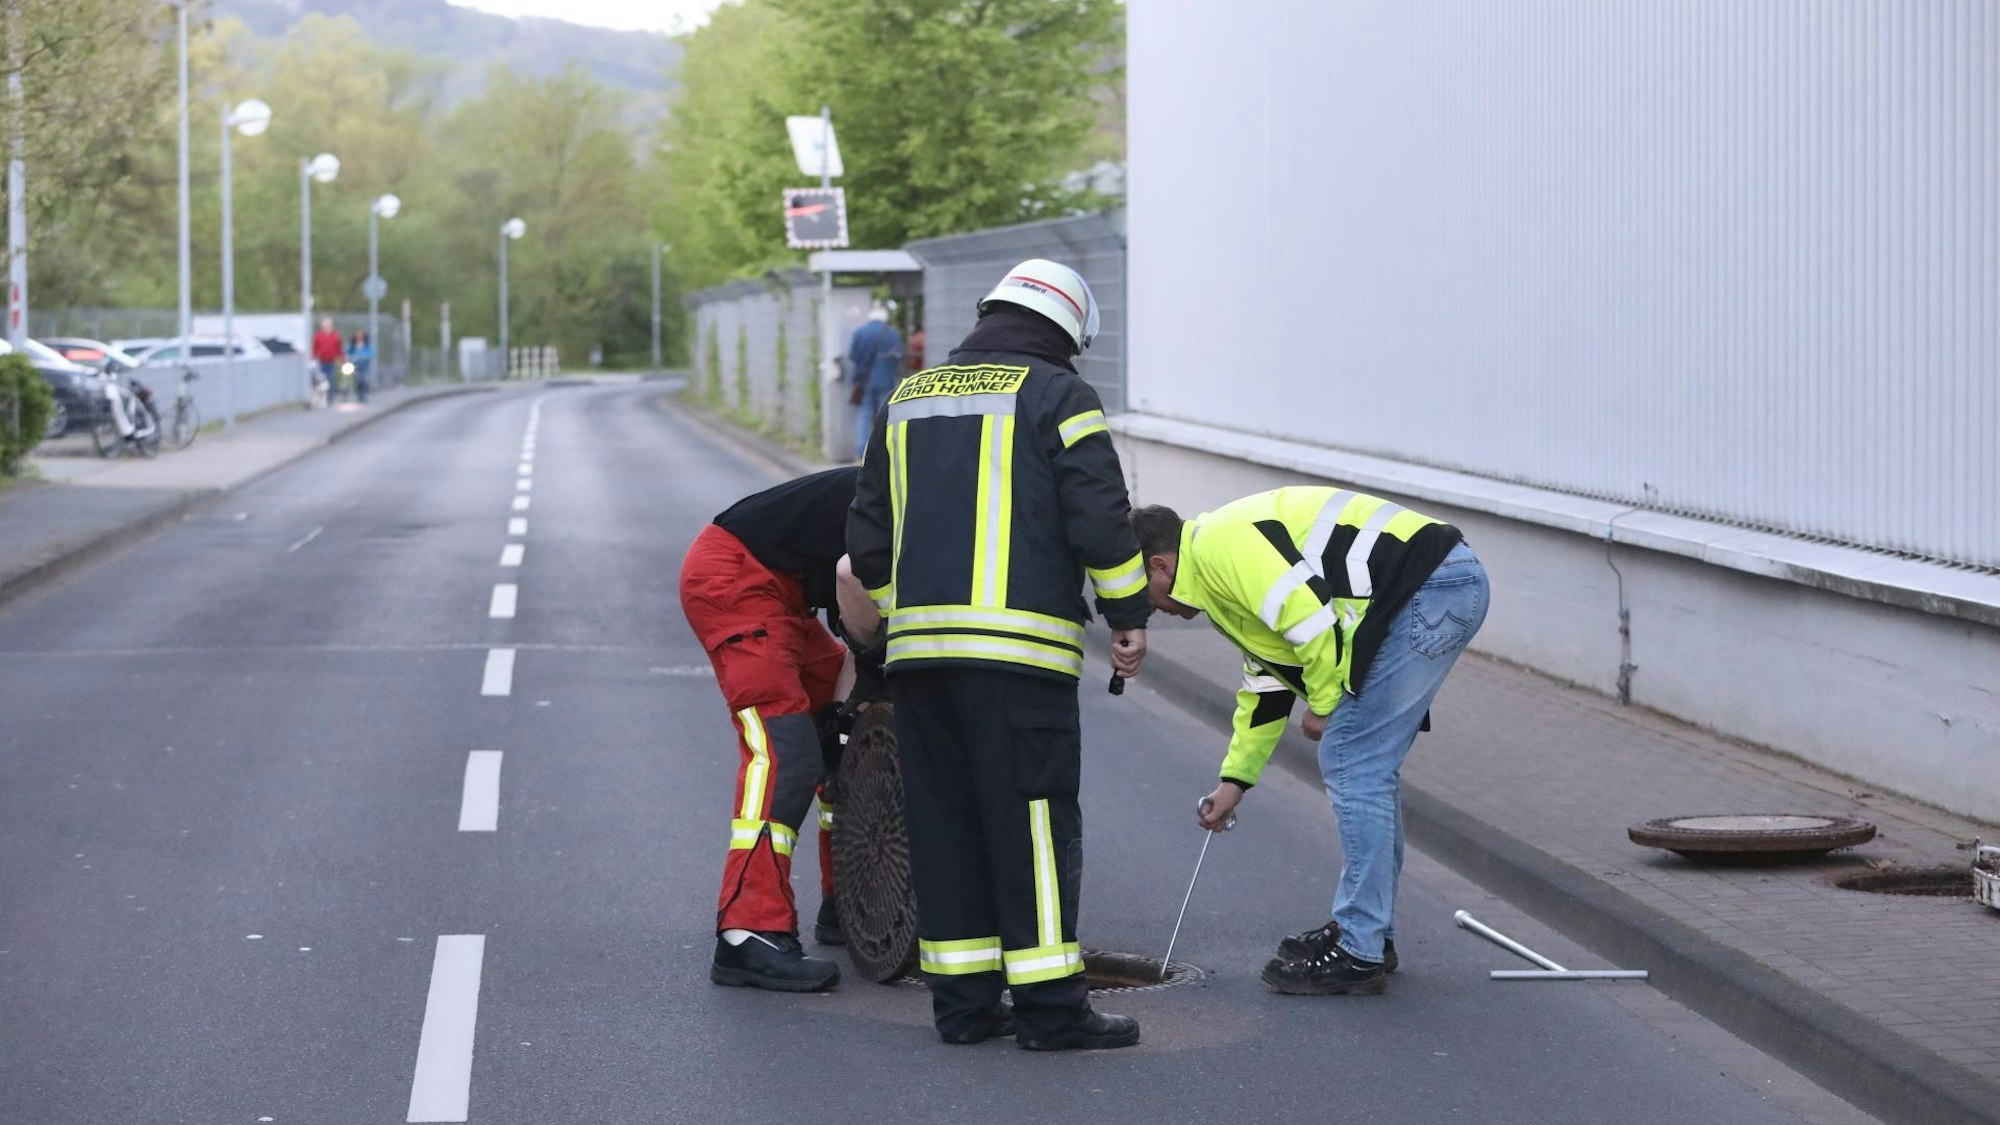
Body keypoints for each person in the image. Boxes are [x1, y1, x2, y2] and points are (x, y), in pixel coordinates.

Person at [847, 259, 1150, 1050]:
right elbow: (1101, 518)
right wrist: (1128, 615)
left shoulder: (907, 398)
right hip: (1020, 661)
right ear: (1067, 331)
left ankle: (965, 1006)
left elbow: (867, 542)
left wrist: (900, 621)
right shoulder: (1060, 395)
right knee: (1035, 829)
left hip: (918, 663)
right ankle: (1052, 1011)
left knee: (946, 827)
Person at [1129, 489, 1489, 996]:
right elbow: (1268, 680)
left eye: (1140, 594)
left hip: (1432, 585)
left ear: (1160, 566)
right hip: (1432, 583)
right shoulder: (1215, 577)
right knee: (1366, 766)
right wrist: (1234, 783)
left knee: (1351, 759)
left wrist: (1323, 705)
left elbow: (1311, 620)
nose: (1148, 610)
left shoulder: (1219, 548)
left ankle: (1359, 948)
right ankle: (1370, 935)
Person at [680, 467, 878, 992]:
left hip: (784, 593)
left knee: (844, 737)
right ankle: (749, 934)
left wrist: (848, 711)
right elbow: (853, 580)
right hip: (734, 581)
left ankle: (846, 904)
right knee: (784, 754)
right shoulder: (916, 488)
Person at [846, 304, 903, 461]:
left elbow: (853, 356)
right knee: (884, 417)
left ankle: (861, 452)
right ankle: (884, 454)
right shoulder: (891, 333)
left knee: (864, 415)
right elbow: (899, 355)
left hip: (865, 380)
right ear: (884, 319)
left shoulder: (860, 333)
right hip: (885, 380)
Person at [311, 319, 344, 406]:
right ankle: (322, 398)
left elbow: (339, 349)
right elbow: (315, 348)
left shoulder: (335, 336)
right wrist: (314, 358)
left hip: (331, 361)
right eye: (324, 326)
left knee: (331, 379)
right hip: (321, 361)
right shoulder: (318, 336)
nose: (326, 327)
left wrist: (342, 359)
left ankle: (330, 397)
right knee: (321, 381)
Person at [348, 330, 374, 404]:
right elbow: (347, 351)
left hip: (365, 366)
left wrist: (364, 356)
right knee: (358, 380)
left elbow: (370, 353)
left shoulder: (367, 344)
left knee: (364, 380)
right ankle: (359, 395)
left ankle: (364, 395)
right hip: (356, 366)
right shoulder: (353, 345)